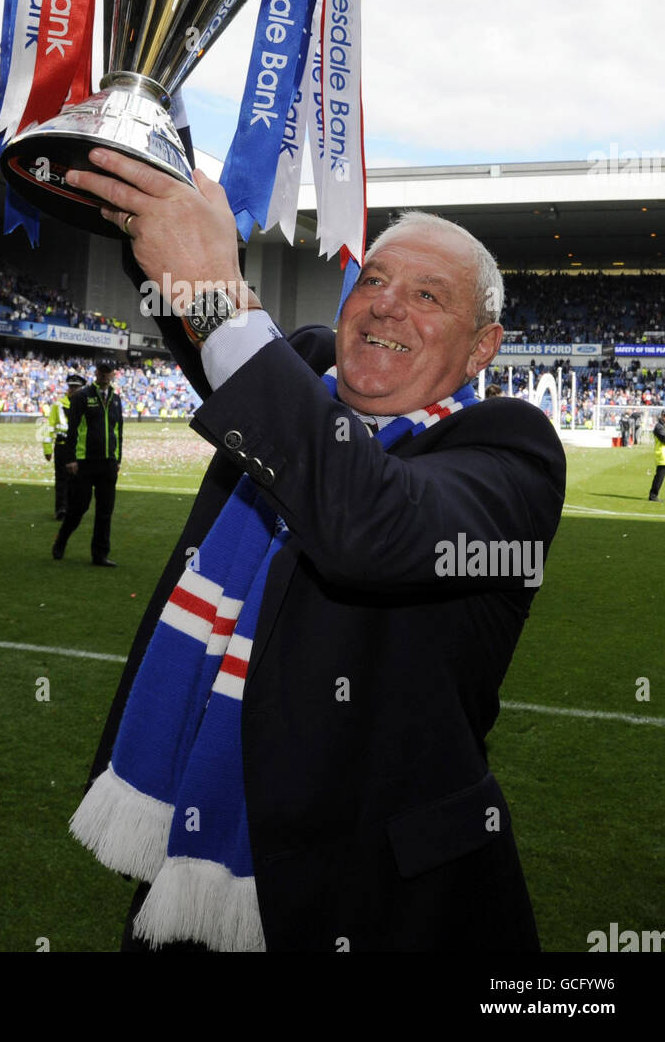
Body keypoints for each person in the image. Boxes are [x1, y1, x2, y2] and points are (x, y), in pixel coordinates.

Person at [65, 147, 566, 953]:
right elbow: (180, 274)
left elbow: (367, 527)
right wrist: (140, 150)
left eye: (426, 295)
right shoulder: (299, 372)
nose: (386, 305)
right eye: (373, 280)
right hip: (190, 866)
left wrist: (217, 294)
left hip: (377, 897)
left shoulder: (508, 450)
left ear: (481, 349)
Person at [53, 358, 122, 567]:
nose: (104, 374)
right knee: (78, 508)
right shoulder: (82, 396)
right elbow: (72, 429)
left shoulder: (116, 399)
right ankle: (61, 539)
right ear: (96, 373)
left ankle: (100, 555)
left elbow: (118, 431)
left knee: (105, 512)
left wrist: (117, 459)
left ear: (113, 374)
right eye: (101, 371)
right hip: (84, 463)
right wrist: (71, 458)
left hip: (108, 463)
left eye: (108, 371)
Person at [43, 372, 87, 519]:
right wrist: (47, 449)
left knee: (77, 481)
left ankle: (74, 508)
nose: (73, 390)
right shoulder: (58, 405)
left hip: (79, 448)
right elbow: (49, 427)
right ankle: (61, 509)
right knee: (61, 479)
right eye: (71, 387)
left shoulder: (86, 405)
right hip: (62, 446)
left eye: (76, 387)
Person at [648, 409, 665, 501]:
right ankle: (653, 495)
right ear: (662, 416)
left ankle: (653, 495)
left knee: (659, 476)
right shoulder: (659, 427)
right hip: (662, 455)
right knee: (659, 477)